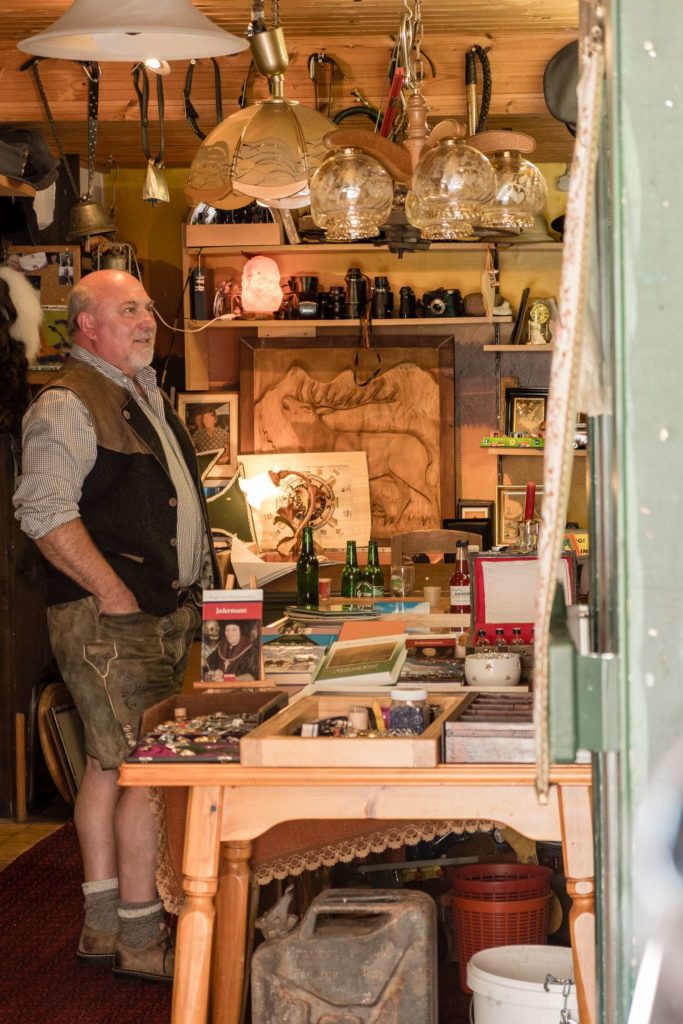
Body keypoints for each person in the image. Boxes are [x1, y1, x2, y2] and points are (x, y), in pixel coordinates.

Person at [13, 269, 219, 983]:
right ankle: (142, 936)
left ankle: (103, 929)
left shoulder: (138, 392)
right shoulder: (68, 402)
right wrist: (113, 592)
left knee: (108, 763)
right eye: (127, 309)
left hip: (144, 611)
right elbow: (41, 510)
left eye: (147, 309)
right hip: (110, 616)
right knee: (148, 770)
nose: (146, 320)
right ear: (85, 325)